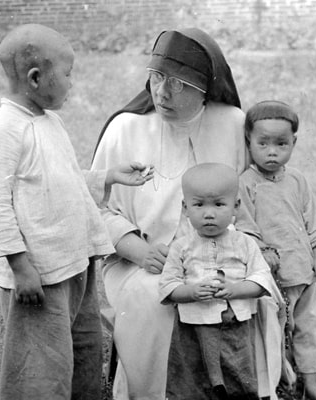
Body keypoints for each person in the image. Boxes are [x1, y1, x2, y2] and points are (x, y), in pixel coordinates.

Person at [92, 28, 283, 399]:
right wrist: (140, 251)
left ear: (205, 89)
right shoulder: (125, 128)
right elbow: (96, 209)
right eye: (157, 77)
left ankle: (243, 389)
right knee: (155, 303)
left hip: (226, 252)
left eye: (178, 84)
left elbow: (251, 197)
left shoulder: (231, 123)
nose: (162, 93)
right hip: (144, 260)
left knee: (254, 294)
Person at [0, 24, 153, 400]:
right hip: (40, 276)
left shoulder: (49, 121)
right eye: (68, 74)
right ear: (36, 78)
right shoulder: (4, 130)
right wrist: (21, 267)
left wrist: (108, 175)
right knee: (41, 366)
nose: (72, 84)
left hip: (74, 263)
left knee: (81, 352)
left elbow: (62, 180)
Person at [235, 100, 316, 400]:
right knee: (275, 329)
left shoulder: (297, 180)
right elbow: (245, 225)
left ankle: (311, 382)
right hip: (272, 277)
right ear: (248, 141)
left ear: (294, 142)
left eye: (281, 144)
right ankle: (278, 376)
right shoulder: (245, 183)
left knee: (308, 326)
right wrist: (262, 250)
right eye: (262, 143)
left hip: (302, 271)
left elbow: (313, 219)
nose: (272, 152)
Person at [159, 163, 280, 400]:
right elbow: (168, 285)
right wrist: (190, 292)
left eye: (218, 204)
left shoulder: (244, 243)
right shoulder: (182, 247)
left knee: (238, 375)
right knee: (192, 377)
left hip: (235, 325)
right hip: (193, 326)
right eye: (198, 204)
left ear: (236, 206)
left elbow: (261, 279)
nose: (209, 213)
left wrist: (236, 289)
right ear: (185, 208)